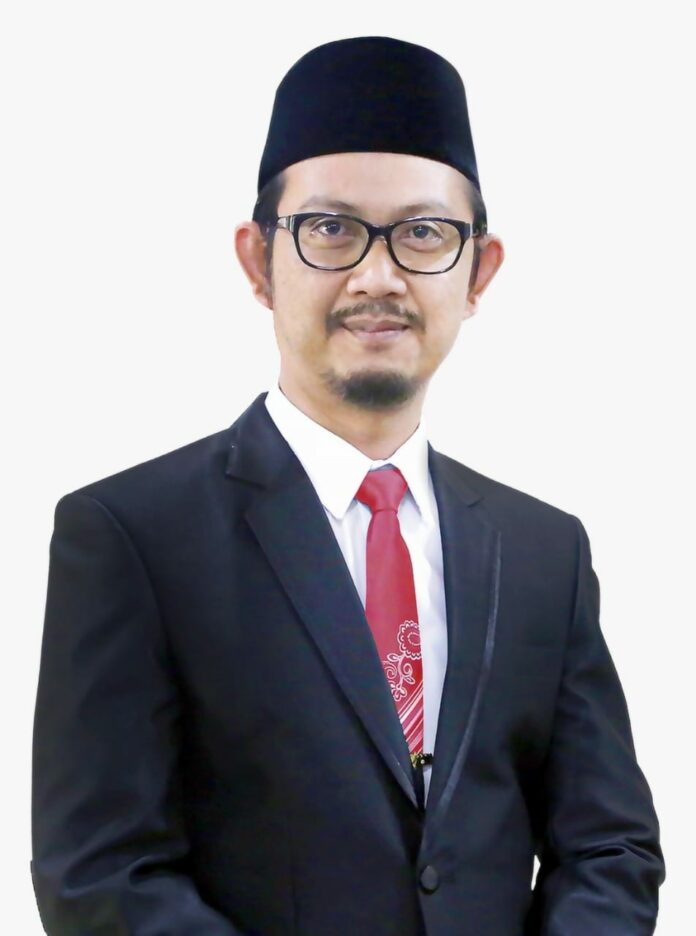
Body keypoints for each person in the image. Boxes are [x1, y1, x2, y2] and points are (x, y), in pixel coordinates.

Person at [30, 35, 665, 936]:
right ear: (259, 261)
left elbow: (609, 848)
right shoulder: (133, 534)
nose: (378, 275)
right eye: (330, 229)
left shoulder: (543, 550)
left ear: (478, 271)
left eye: (423, 233)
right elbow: (100, 874)